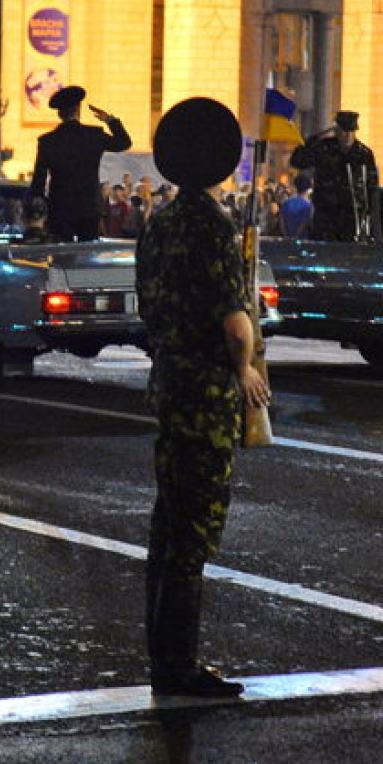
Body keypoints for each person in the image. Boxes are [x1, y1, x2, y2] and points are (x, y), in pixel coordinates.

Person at [136, 97, 270, 699]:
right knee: (195, 530)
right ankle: (180, 667)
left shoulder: (158, 223)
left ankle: (161, 656)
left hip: (169, 380)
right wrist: (245, 371)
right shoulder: (215, 226)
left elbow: (149, 306)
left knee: (167, 523)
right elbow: (234, 317)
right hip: (209, 388)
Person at [29, 85, 132, 242]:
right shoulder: (93, 135)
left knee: (61, 257)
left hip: (60, 208)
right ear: (78, 109)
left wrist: (38, 212)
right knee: (88, 253)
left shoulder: (48, 141)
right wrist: (110, 120)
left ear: (59, 113)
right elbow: (124, 143)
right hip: (89, 207)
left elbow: (39, 180)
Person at [287, 109, 379, 242]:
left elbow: (372, 185)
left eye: (351, 132)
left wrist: (370, 212)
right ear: (337, 131)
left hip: (352, 215)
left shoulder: (363, 153)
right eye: (344, 131)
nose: (347, 136)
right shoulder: (324, 148)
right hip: (326, 213)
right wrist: (309, 142)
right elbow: (297, 162)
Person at [278, 173, 314, 238]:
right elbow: (305, 223)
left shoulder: (287, 203)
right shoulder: (308, 205)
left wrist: (286, 236)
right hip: (303, 241)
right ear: (308, 189)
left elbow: (282, 222)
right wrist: (295, 236)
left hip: (287, 239)